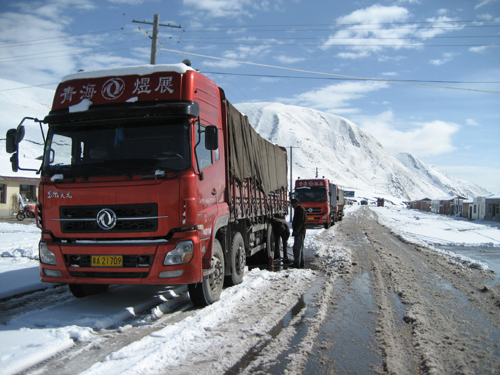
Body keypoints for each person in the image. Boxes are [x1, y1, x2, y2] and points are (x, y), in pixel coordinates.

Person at [291, 198, 307, 268]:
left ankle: (297, 263)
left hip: (300, 232)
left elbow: (300, 222)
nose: (292, 206)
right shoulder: (298, 209)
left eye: (293, 204)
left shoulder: (301, 210)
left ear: (296, 203)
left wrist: (296, 231)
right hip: (299, 231)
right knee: (299, 247)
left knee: (298, 248)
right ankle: (300, 263)